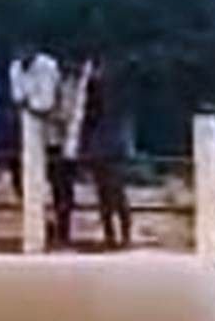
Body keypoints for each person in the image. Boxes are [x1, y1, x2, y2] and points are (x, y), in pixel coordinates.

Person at [52, 58, 135, 252]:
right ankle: (115, 235)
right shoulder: (102, 88)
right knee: (108, 192)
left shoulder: (102, 88)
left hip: (106, 142)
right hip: (102, 142)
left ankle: (118, 235)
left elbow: (91, 114)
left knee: (111, 191)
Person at [8, 47, 62, 244]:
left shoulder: (48, 66)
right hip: (26, 130)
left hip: (52, 132)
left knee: (58, 182)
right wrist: (30, 105)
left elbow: (46, 103)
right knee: (24, 180)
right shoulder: (15, 68)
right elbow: (18, 99)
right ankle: (38, 227)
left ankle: (61, 229)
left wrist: (32, 105)